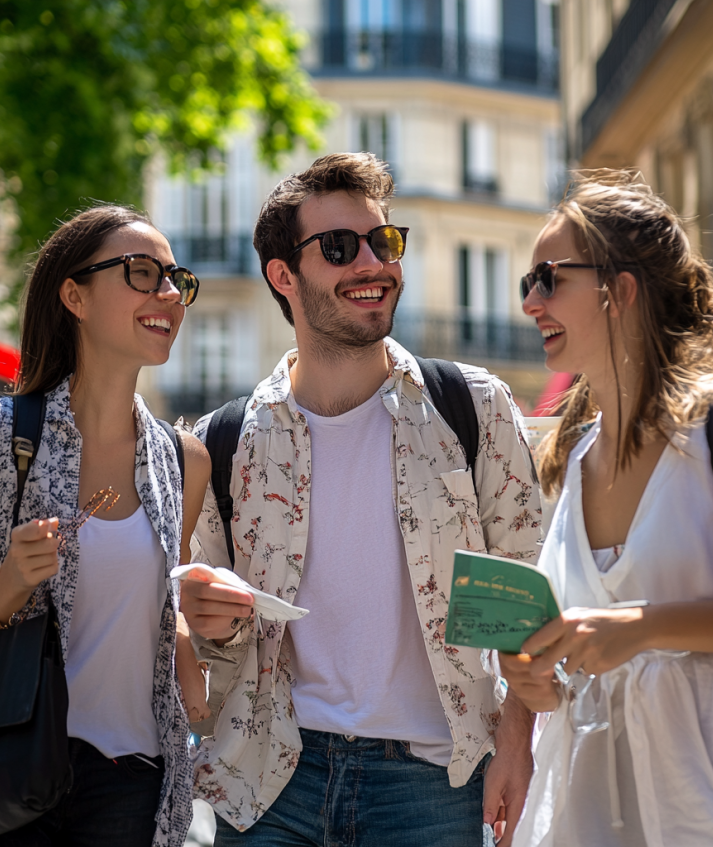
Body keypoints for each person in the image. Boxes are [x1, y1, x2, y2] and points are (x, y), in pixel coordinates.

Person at [179, 152, 542, 847]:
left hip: (433, 781)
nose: (374, 264)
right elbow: (217, 653)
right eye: (340, 247)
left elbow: (523, 595)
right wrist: (211, 624)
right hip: (272, 781)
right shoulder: (225, 440)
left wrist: (516, 742)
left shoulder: (471, 407)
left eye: (385, 241)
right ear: (283, 276)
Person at [501, 171, 713, 846]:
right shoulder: (570, 459)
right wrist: (535, 678)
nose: (530, 303)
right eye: (527, 283)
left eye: (548, 279)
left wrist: (643, 626)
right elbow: (572, 660)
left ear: (621, 289)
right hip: (584, 811)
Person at [0, 205, 212, 846]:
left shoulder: (185, 460)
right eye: (143, 272)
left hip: (134, 779)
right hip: (11, 768)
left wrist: (195, 639)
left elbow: (163, 610)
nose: (168, 294)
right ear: (75, 296)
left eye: (176, 279)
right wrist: (14, 582)